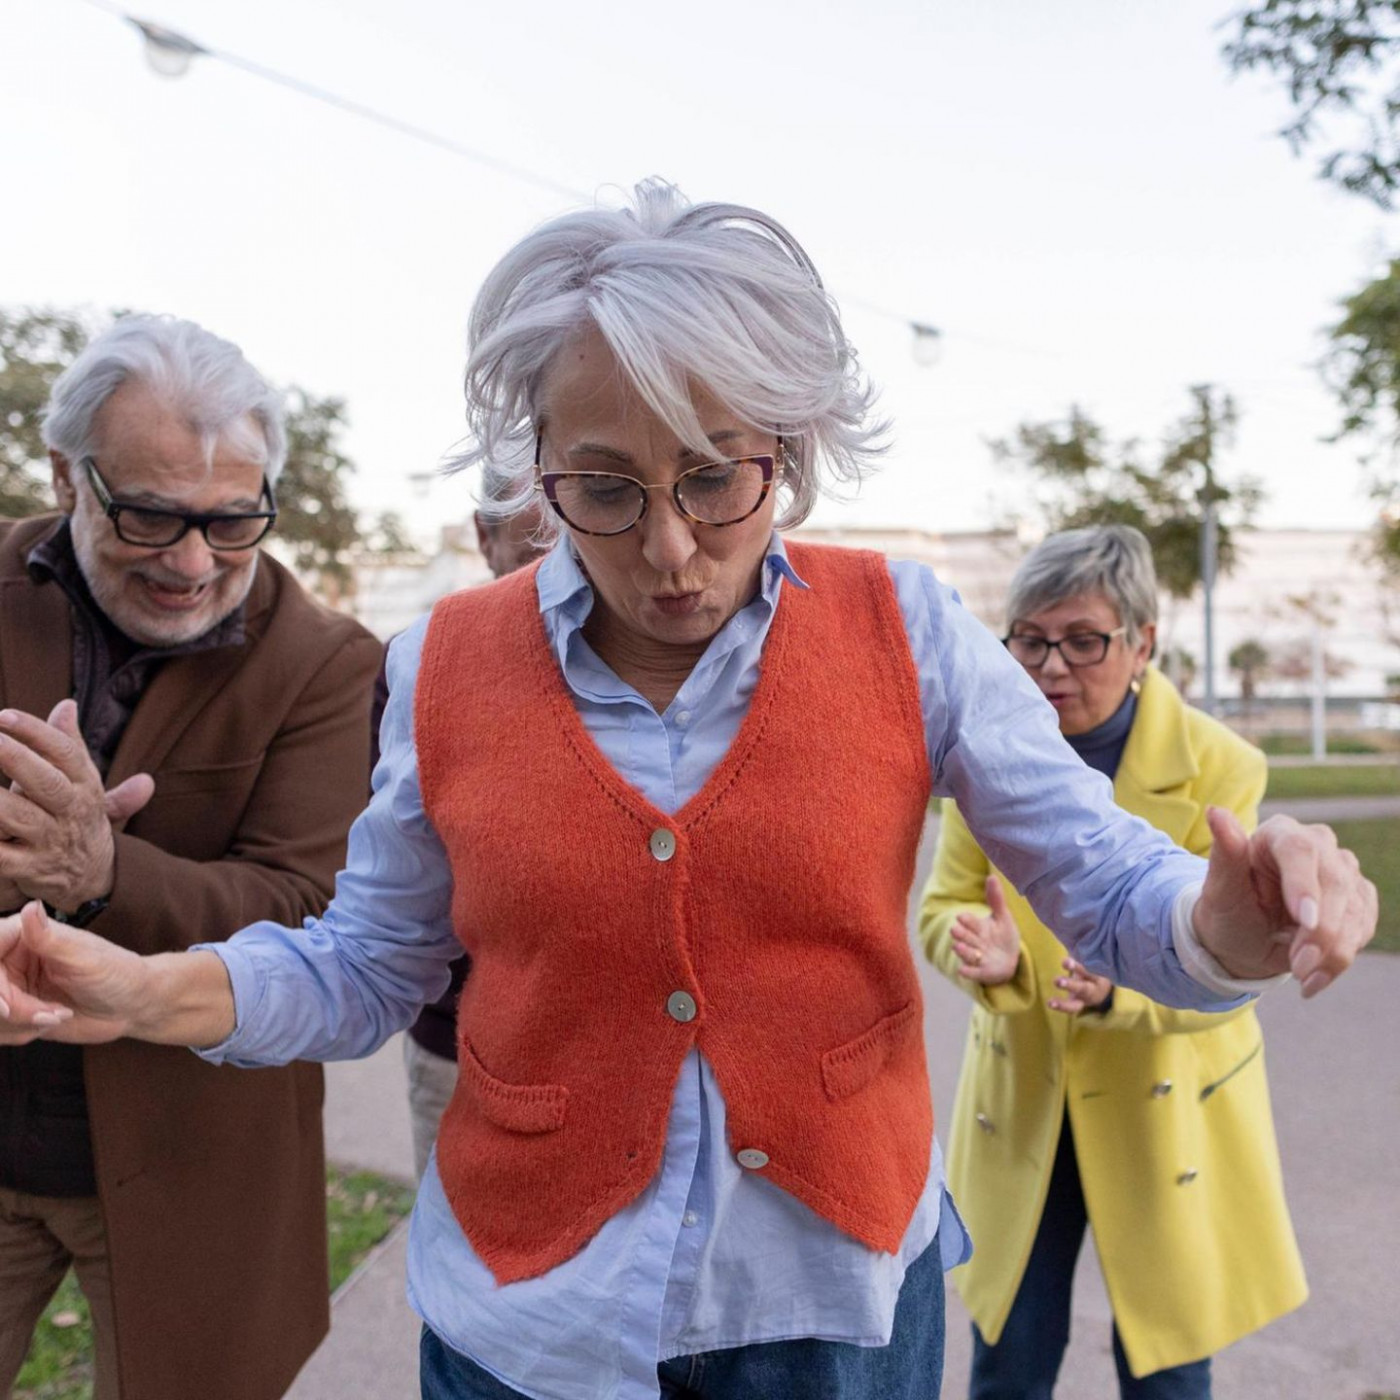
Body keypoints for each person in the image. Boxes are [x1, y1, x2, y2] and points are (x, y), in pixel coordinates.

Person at [0, 184, 1375, 1400]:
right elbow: (367, 965)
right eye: (602, 488)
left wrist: (1228, 928)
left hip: (829, 1314)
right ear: (538, 465)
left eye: (718, 478)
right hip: (533, 1326)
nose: (668, 548)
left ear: (794, 447)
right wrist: (140, 990)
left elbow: (1112, 885)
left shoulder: (906, 627)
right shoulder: (445, 664)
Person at [0, 315, 381, 1400]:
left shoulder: (325, 662)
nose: (191, 561)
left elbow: (308, 912)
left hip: (190, 1160)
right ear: (68, 473)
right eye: (150, 516)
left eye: (232, 521)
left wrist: (101, 871)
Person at [919, 524, 1307, 1399]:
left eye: (1084, 640)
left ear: (1142, 642)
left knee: (1167, 1372)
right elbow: (943, 909)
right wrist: (979, 954)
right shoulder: (983, 750)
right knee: (1007, 1366)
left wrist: (1116, 992)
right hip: (1024, 1109)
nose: (1053, 667)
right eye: (1030, 640)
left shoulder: (1221, 766)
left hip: (1164, 1114)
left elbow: (1225, 973)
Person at [397, 465, 546, 1179]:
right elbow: (392, 895)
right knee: (462, 1265)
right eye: (532, 560)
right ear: (485, 540)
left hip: (603, 1063)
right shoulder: (426, 671)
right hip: (456, 1050)